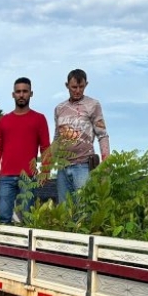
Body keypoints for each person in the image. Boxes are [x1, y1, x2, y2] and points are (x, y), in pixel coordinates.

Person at [0, 76, 51, 224]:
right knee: (4, 218)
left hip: (28, 177)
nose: (21, 94)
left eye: (25, 91)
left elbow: (45, 147)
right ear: (13, 94)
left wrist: (46, 171)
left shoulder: (39, 119)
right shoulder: (3, 120)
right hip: (6, 177)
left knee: (27, 219)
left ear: (31, 93)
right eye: (18, 91)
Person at [54, 68, 110, 204]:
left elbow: (102, 135)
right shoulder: (59, 108)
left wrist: (106, 162)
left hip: (83, 165)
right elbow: (57, 137)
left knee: (84, 209)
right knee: (64, 210)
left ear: (86, 85)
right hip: (62, 167)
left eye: (81, 87)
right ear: (67, 86)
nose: (77, 90)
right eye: (74, 87)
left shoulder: (93, 105)